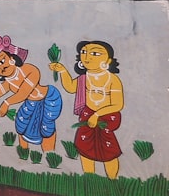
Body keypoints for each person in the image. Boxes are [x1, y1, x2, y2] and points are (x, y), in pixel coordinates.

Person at [49, 40, 124, 179]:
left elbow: (117, 105)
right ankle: (89, 179)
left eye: (95, 53)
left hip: (106, 118)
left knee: (108, 150)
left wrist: (97, 115)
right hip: (87, 116)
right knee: (85, 148)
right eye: (84, 52)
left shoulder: (112, 79)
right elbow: (71, 87)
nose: (87, 56)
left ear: (107, 60)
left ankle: (113, 180)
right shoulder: (84, 78)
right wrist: (63, 71)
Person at [0, 34, 62, 153]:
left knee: (46, 127)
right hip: (31, 102)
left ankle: (50, 153)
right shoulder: (9, 82)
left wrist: (7, 103)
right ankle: (23, 154)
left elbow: (24, 92)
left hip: (49, 98)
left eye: (1, 61)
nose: (0, 68)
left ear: (12, 58)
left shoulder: (29, 69)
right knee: (21, 124)